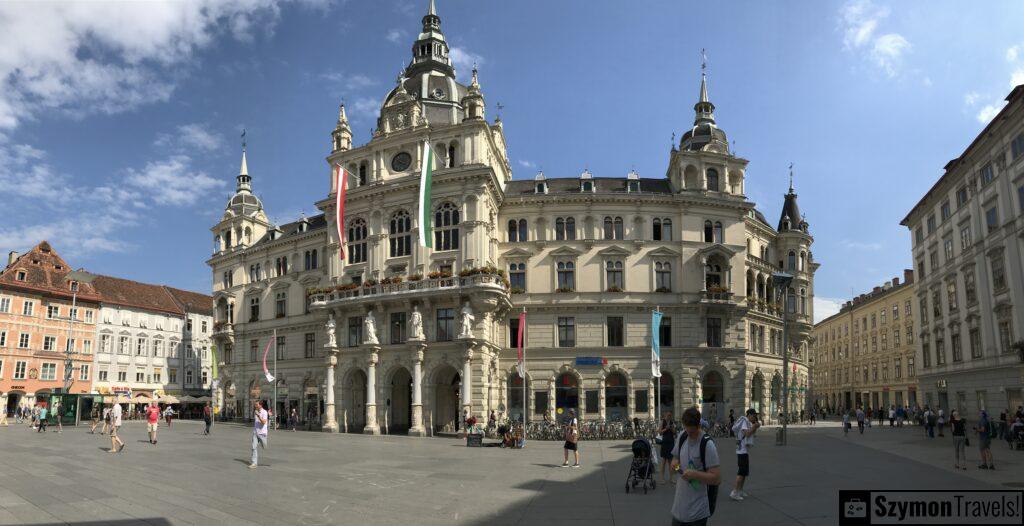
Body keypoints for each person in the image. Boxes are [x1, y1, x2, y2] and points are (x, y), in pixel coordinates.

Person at [670, 406, 721, 526]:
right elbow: (675, 457)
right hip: (679, 508)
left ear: (698, 425)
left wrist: (695, 474)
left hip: (697, 511)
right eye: (686, 429)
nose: (688, 433)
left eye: (692, 432)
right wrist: (674, 462)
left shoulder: (707, 445)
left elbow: (717, 478)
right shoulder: (682, 436)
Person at [730, 408, 760, 502]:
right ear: (749, 415)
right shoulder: (744, 421)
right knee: (741, 472)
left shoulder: (747, 423)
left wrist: (754, 427)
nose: (755, 417)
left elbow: (751, 434)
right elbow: (746, 434)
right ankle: (734, 492)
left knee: (744, 472)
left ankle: (740, 490)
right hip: (741, 451)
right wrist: (754, 427)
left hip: (744, 450)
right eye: (754, 415)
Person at [658, 412, 677, 484]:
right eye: (668, 415)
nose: (669, 416)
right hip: (664, 443)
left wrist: (672, 428)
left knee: (670, 462)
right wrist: (666, 428)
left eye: (670, 415)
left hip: (671, 443)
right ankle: (662, 479)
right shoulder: (662, 422)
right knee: (663, 462)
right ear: (665, 415)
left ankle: (671, 478)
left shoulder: (672, 422)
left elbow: (675, 432)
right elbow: (660, 432)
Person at [250, 400, 269, 469]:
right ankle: (254, 463)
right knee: (253, 447)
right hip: (255, 433)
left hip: (262, 433)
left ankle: (264, 445)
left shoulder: (264, 412)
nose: (256, 406)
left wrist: (258, 415)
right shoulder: (256, 411)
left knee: (264, 447)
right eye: (255, 405)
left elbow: (263, 422)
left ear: (260, 405)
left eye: (257, 405)